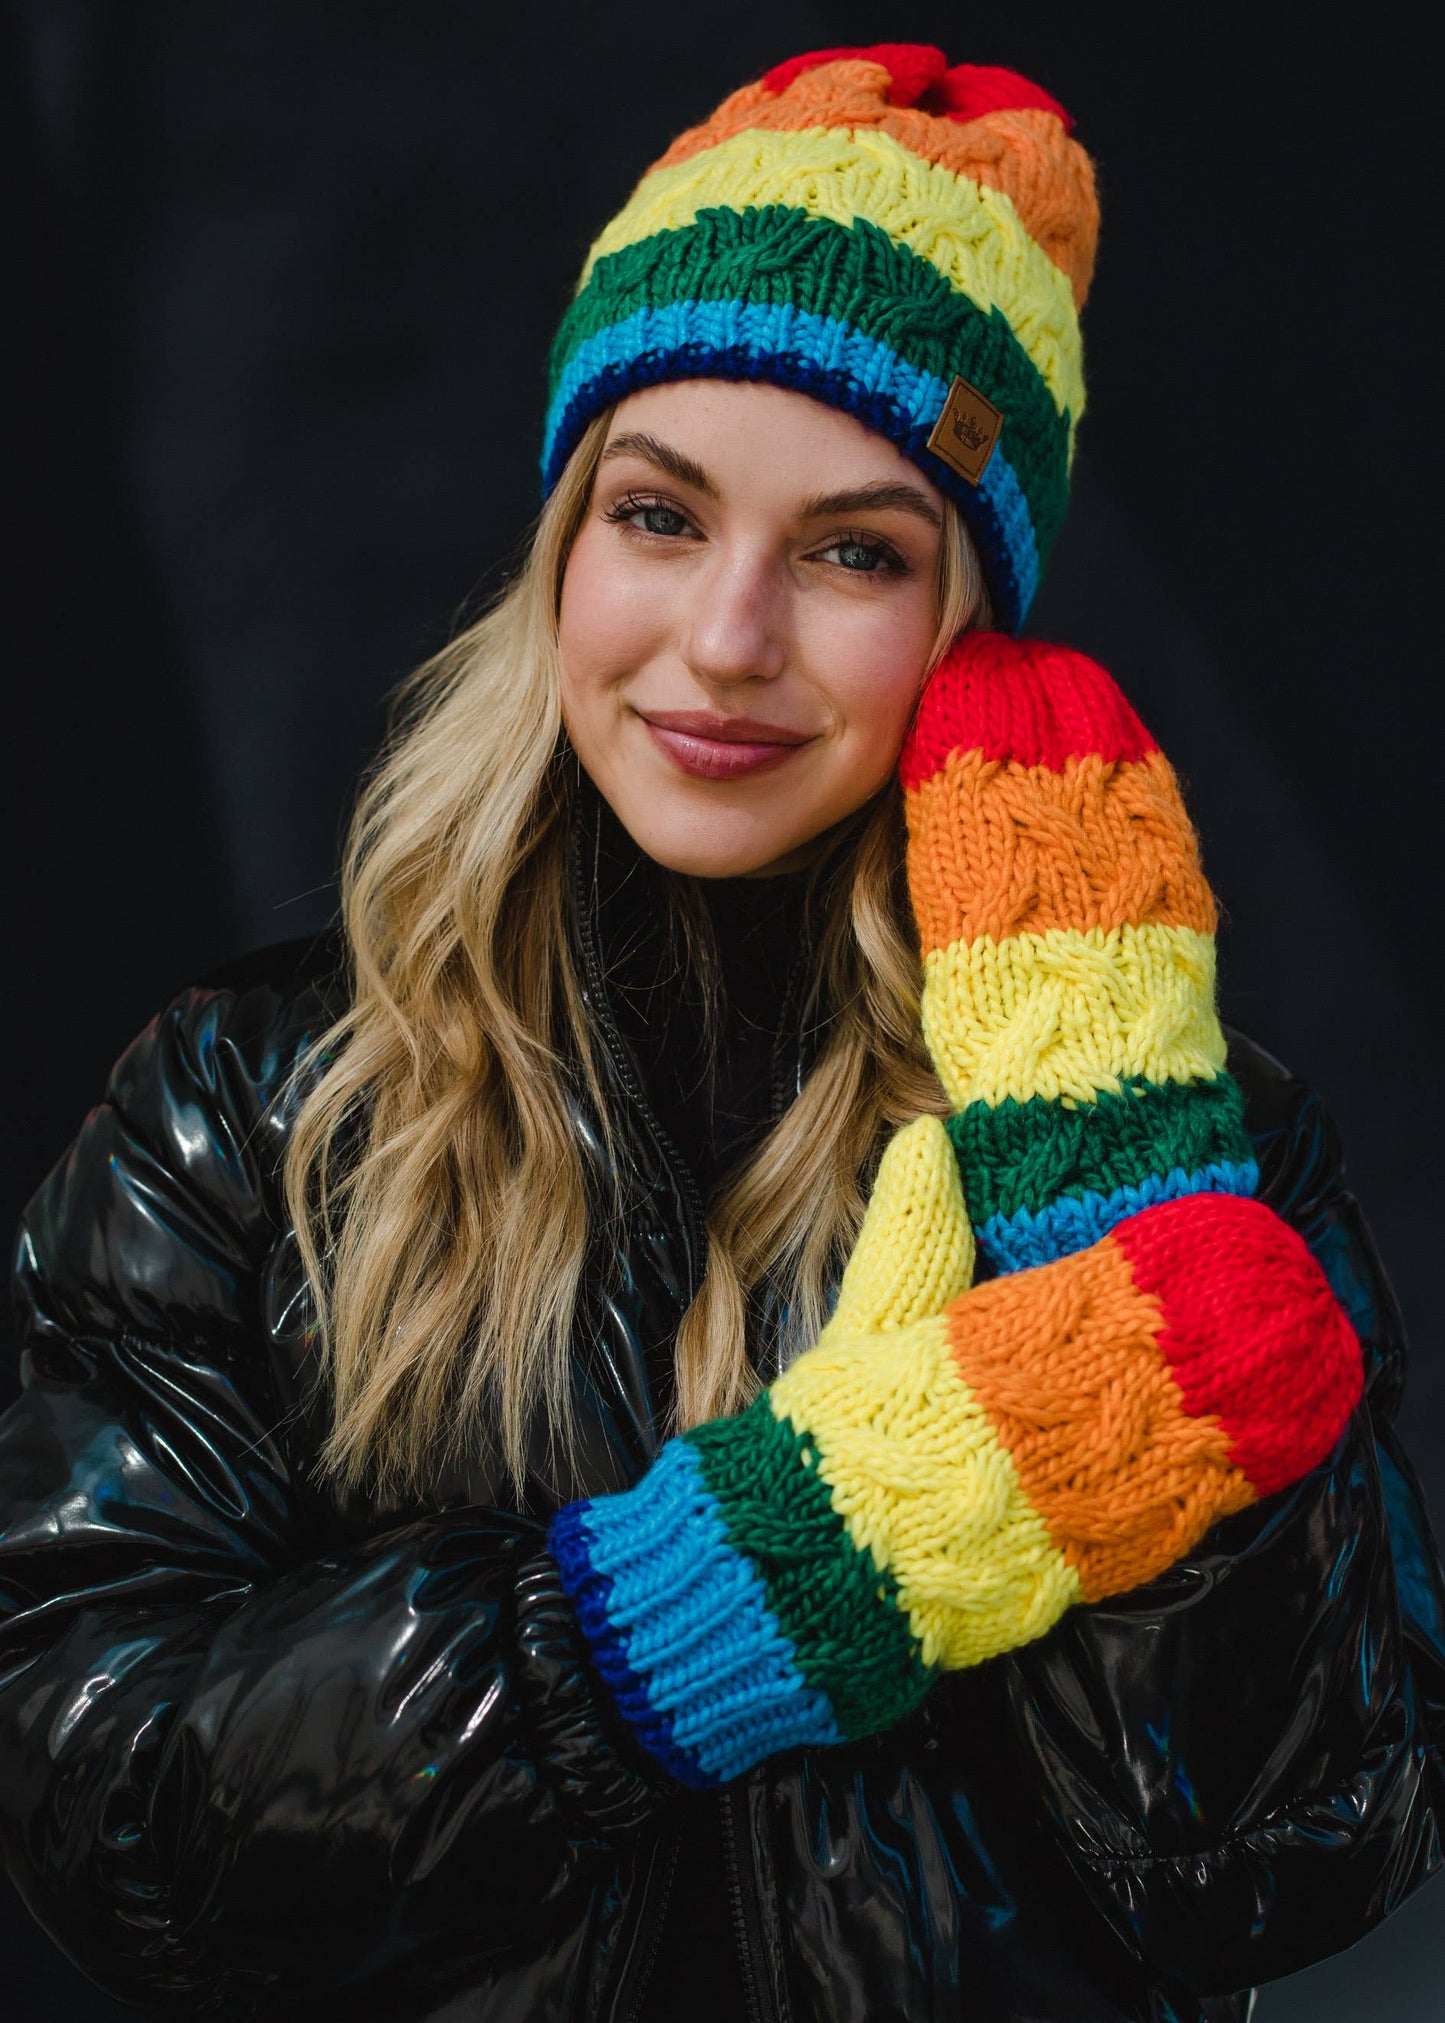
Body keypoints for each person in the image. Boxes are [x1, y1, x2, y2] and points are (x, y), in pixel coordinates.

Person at [2, 42, 1442, 2023]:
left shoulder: (1200, 1141)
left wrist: (1112, 1215)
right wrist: (736, 1596)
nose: (729, 636)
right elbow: (104, 1799)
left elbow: (1285, 1855)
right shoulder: (244, 1110)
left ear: (971, 611)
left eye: (855, 548)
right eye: (660, 515)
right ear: (562, 547)